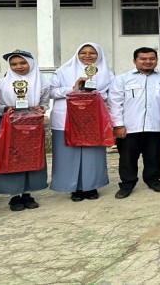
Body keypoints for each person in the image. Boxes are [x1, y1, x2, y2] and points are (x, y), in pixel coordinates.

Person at [108, 47, 160, 199]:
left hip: (157, 126)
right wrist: (118, 125)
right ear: (135, 61)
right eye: (143, 59)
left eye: (151, 59)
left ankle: (153, 180)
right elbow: (115, 104)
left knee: (153, 156)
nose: (148, 62)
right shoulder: (122, 79)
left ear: (156, 61)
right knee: (127, 158)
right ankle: (127, 184)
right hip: (129, 127)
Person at [50, 42, 114, 201]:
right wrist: (73, 89)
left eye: (92, 53)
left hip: (93, 119)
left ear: (98, 55)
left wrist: (94, 94)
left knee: (92, 154)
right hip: (66, 118)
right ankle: (74, 188)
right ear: (77, 54)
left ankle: (91, 186)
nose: (87, 56)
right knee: (68, 154)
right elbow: (51, 92)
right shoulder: (63, 71)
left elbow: (112, 95)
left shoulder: (107, 73)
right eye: (83, 52)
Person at [0, 50, 51, 211]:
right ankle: (14, 195)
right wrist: (6, 108)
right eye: (14, 64)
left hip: (32, 125)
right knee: (12, 157)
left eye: (22, 63)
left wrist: (39, 108)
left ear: (31, 63)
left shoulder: (43, 83)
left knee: (31, 156)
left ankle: (27, 193)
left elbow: (45, 104)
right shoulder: (0, 84)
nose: (19, 67)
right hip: (8, 124)